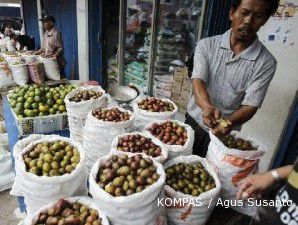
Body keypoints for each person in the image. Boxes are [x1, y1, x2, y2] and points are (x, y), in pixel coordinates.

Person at [185, 0, 279, 157]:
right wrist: (207, 107)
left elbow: (251, 105)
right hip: (193, 120)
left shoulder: (266, 63)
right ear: (232, 13)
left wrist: (226, 123)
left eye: (258, 16)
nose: (248, 21)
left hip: (224, 132)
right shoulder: (206, 45)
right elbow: (198, 80)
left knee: (210, 174)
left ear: (265, 20)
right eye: (244, 13)